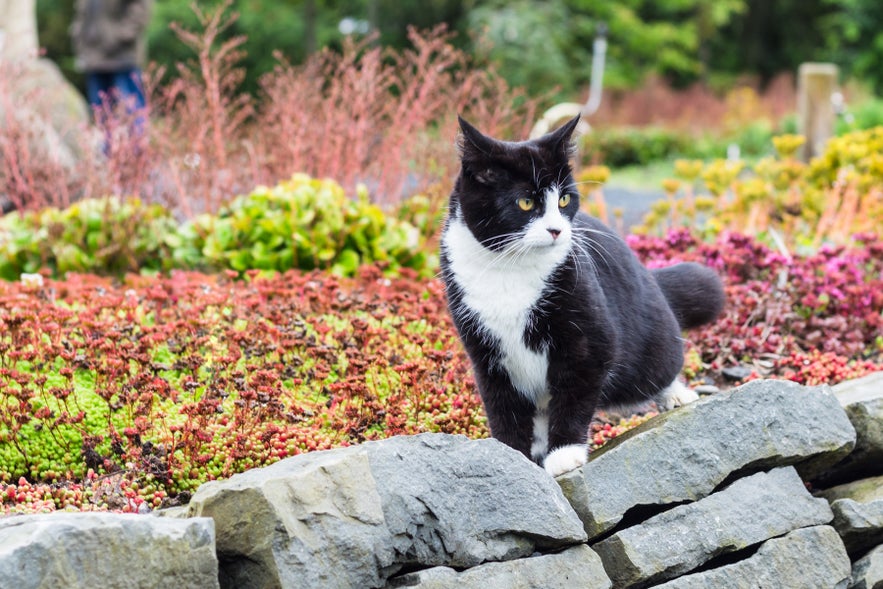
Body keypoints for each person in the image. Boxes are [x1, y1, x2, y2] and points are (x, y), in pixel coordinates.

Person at [70, 0, 152, 116]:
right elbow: (81, 15)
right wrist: (78, 39)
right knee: (101, 114)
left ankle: (137, 134)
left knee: (132, 112)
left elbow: (140, 9)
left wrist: (119, 37)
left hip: (122, 58)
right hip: (94, 59)